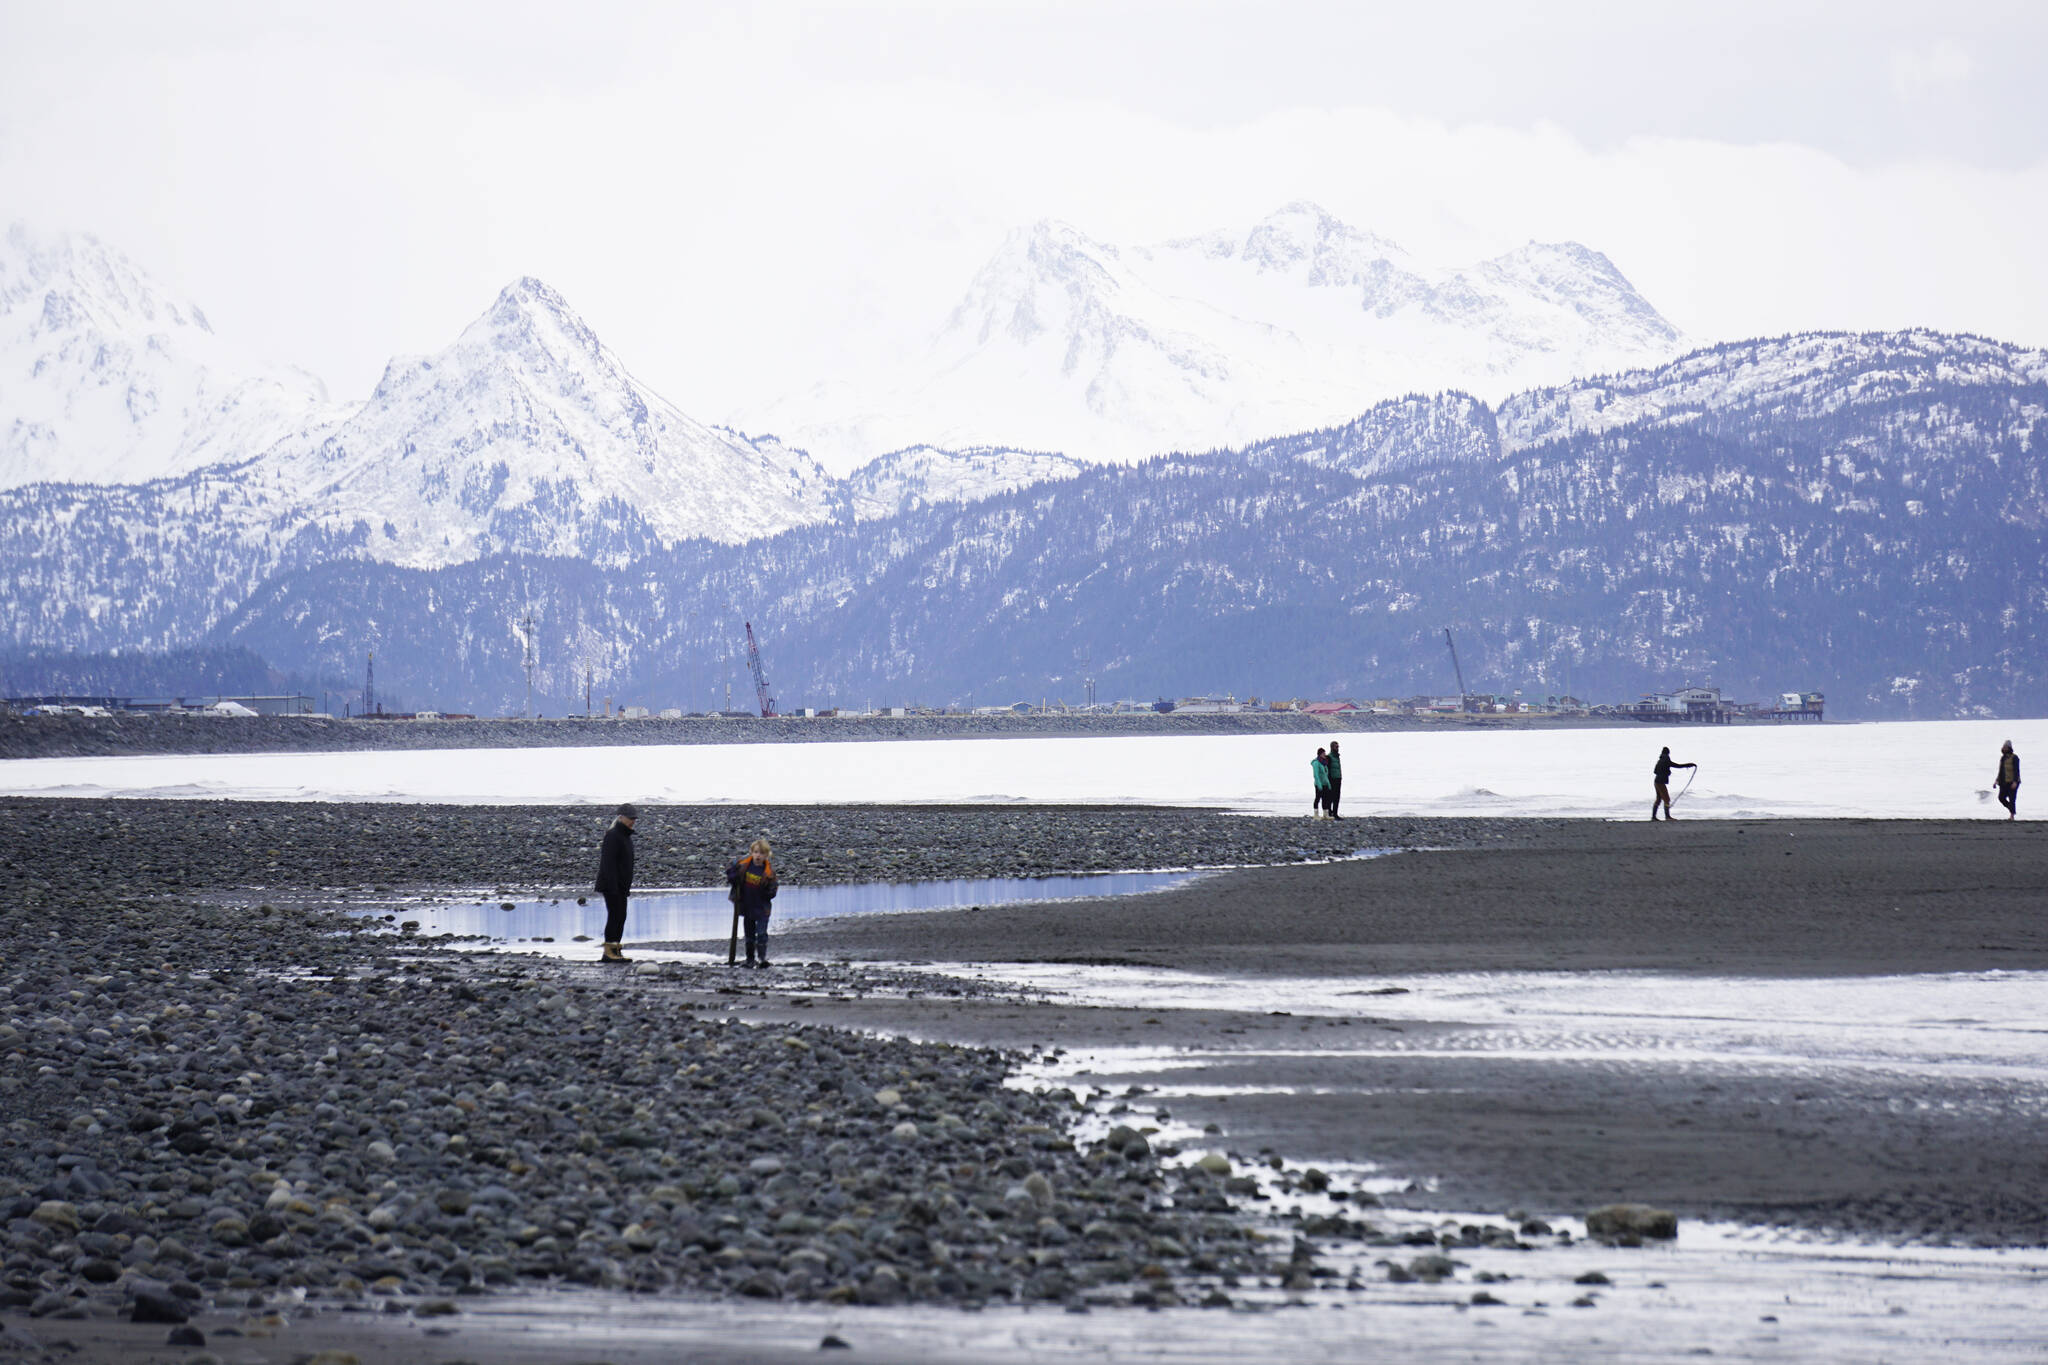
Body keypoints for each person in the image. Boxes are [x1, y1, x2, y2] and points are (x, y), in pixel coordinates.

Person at [593, 803, 637, 963]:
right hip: (611, 885)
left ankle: (616, 951)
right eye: (630, 818)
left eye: (634, 818)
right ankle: (609, 953)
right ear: (620, 817)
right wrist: (613, 887)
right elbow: (608, 863)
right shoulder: (613, 835)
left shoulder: (625, 836)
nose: (633, 821)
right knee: (615, 916)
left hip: (621, 886)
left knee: (620, 917)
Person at [726, 837, 778, 967]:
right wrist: (733, 877)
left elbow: (773, 890)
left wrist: (767, 891)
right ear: (751, 853)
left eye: (761, 853)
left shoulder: (769, 873)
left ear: (766, 855)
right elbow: (731, 871)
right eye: (756, 852)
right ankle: (750, 958)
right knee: (749, 935)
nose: (758, 855)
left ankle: (762, 958)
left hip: (761, 908)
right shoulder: (744, 866)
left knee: (761, 934)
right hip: (747, 906)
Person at [1651, 747, 1695, 822]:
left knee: (1658, 799)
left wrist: (1663, 772)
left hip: (1656, 781)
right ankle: (1667, 817)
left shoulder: (1660, 760)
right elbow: (1677, 766)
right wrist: (1689, 765)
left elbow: (1655, 771)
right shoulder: (1666, 760)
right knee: (1667, 799)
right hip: (1661, 782)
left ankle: (1653, 817)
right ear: (1668, 753)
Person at [1995, 740, 2021, 820]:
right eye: (2004, 747)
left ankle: (2012, 815)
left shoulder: (2015, 757)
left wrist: (2015, 782)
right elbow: (2000, 770)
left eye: (2006, 747)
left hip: (2013, 781)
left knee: (2012, 798)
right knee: (2001, 797)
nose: (2004, 748)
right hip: (2003, 781)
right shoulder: (2003, 758)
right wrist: (1996, 780)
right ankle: (2012, 809)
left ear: (2009, 748)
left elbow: (2017, 770)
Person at [1325, 741, 1344, 820]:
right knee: (1331, 797)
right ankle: (1330, 812)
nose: (1338, 748)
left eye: (1338, 747)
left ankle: (1335, 813)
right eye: (1336, 747)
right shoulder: (1329, 757)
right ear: (1332, 747)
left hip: (1338, 778)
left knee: (1337, 797)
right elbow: (1327, 770)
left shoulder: (1337, 757)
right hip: (1332, 779)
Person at [1310, 748, 1330, 816]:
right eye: (1324, 754)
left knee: (1325, 799)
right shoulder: (1316, 763)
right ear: (1320, 754)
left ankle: (1325, 814)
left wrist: (1328, 784)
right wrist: (1319, 784)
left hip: (1325, 784)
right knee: (1317, 798)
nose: (1325, 755)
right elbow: (1316, 774)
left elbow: (1325, 774)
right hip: (1319, 784)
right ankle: (1316, 814)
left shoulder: (1324, 763)